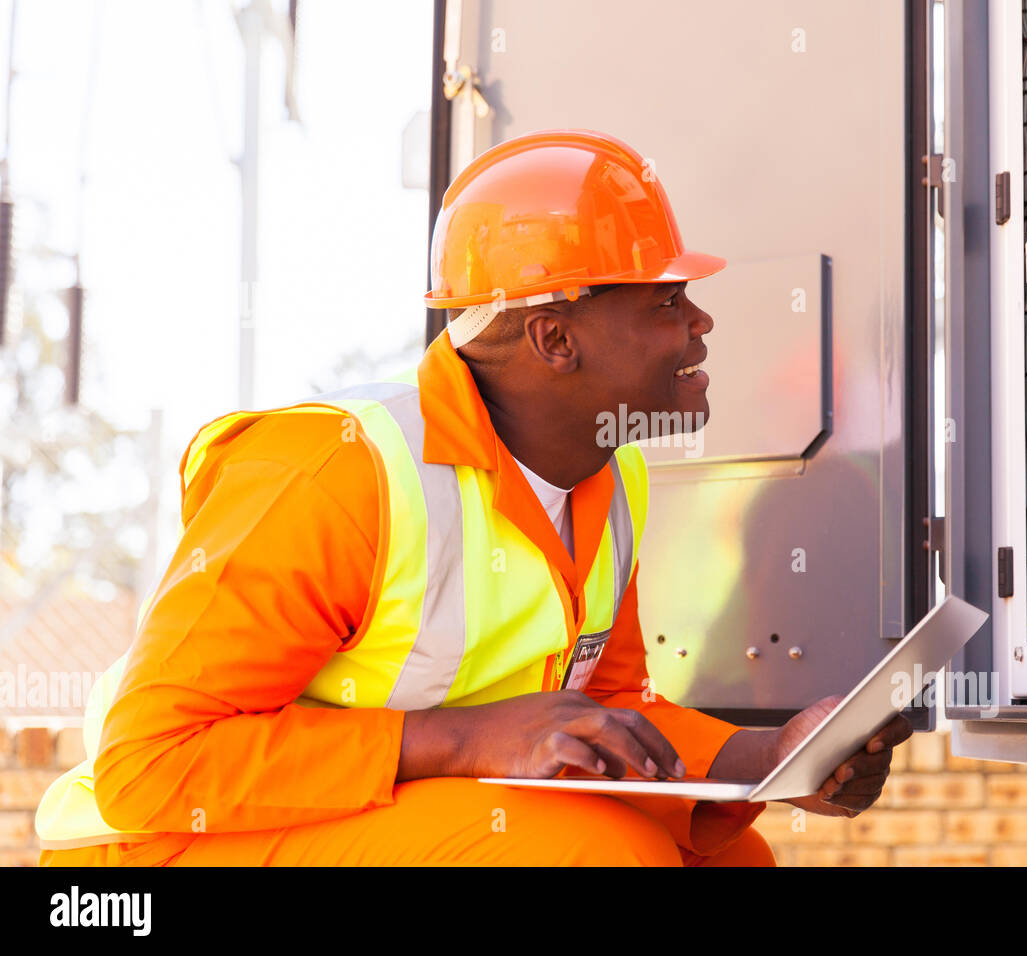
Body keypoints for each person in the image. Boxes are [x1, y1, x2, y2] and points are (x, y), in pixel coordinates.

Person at [36, 129, 911, 866]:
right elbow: (149, 765)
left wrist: (770, 758)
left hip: (362, 821)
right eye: (665, 302)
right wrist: (461, 739)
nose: (700, 325)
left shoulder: (610, 474)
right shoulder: (334, 474)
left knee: (724, 856)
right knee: (598, 857)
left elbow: (610, 714)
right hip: (152, 853)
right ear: (553, 336)